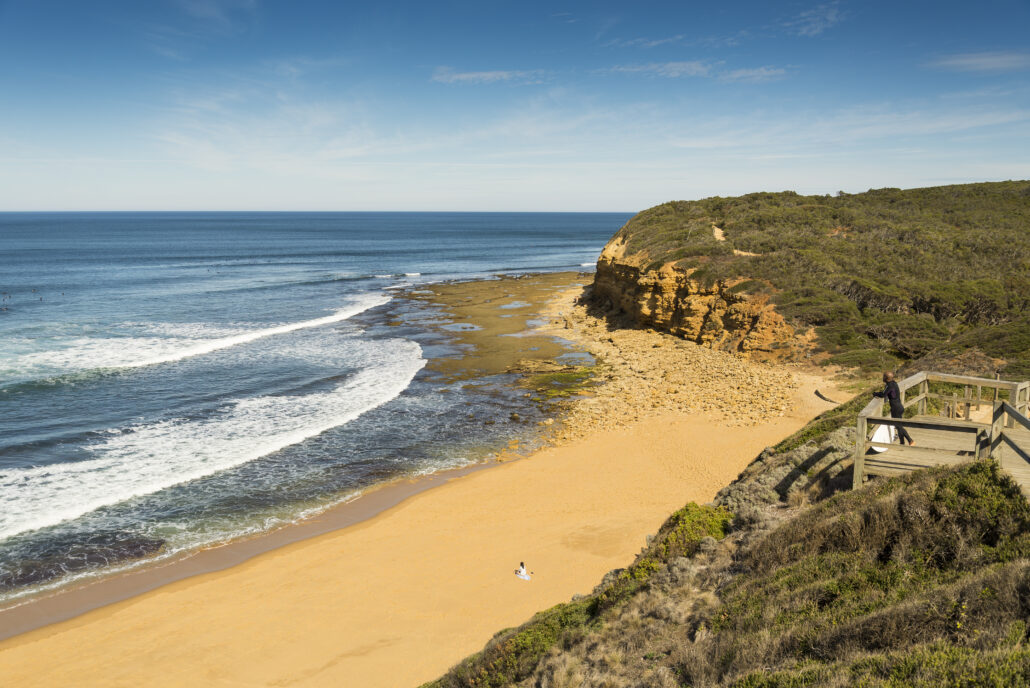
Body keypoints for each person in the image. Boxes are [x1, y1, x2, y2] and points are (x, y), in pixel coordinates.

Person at [873, 372, 914, 446]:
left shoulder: (889, 385)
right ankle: (902, 443)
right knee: (898, 425)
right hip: (899, 406)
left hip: (895, 408)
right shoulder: (894, 383)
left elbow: (883, 394)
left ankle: (910, 440)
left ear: (886, 378)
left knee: (898, 426)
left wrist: (875, 393)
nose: (882, 378)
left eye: (883, 376)